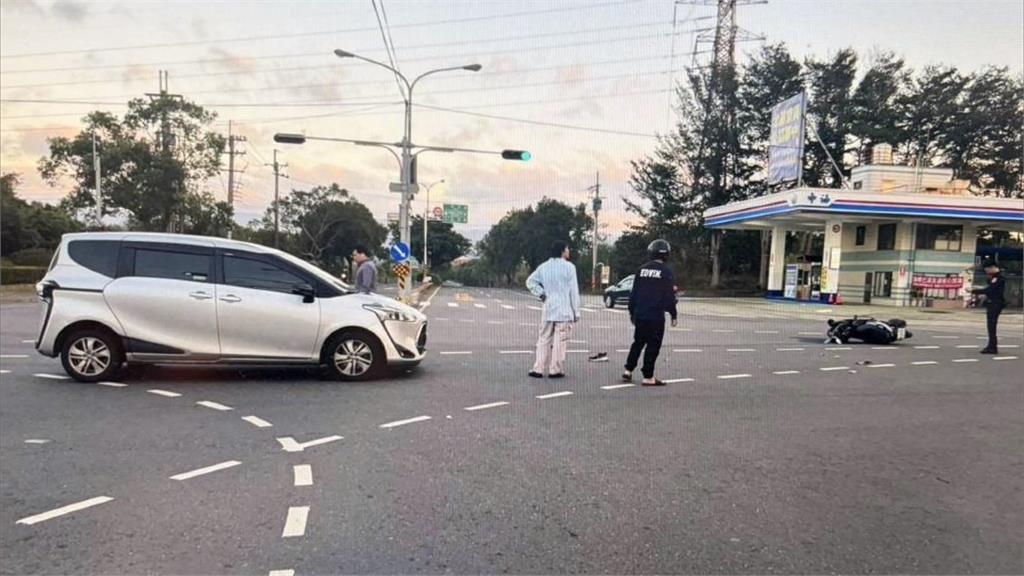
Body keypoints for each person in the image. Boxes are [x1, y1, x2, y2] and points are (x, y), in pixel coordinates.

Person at [623, 239, 678, 386]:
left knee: (638, 342)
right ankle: (648, 376)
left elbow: (634, 294)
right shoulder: (666, 272)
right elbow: (669, 297)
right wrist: (673, 314)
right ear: (666, 254)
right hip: (656, 316)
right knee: (653, 346)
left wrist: (631, 312)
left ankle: (628, 369)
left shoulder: (641, 270)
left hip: (640, 314)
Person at [525, 240, 581, 379]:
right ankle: (555, 369)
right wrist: (576, 312)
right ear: (562, 251)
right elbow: (573, 291)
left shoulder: (544, 267)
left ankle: (538, 368)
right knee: (560, 341)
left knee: (543, 338)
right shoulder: (569, 267)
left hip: (548, 306)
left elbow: (530, 281)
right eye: (567, 249)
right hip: (564, 309)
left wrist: (541, 293)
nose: (568, 251)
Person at [971, 260, 1006, 354]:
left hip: (996, 303)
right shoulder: (994, 277)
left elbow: (990, 290)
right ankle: (991, 345)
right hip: (992, 303)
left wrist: (974, 291)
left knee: (992, 325)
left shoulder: (999, 278)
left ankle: (992, 347)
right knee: (990, 326)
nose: (986, 272)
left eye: (987, 269)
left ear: (992, 267)